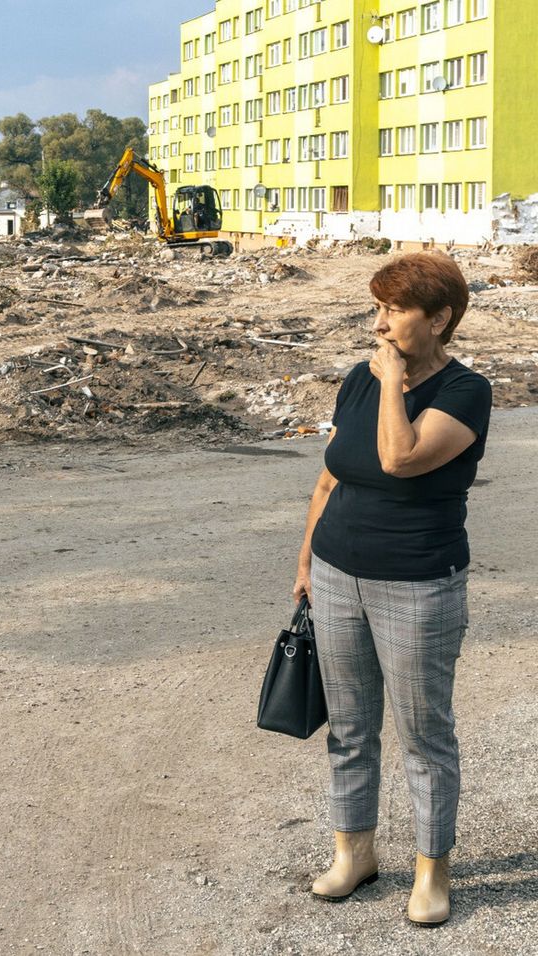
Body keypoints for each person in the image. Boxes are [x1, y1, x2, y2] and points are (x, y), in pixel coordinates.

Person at [292, 252, 491, 927]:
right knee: (349, 727)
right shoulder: (357, 379)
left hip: (418, 583)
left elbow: (398, 459)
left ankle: (432, 871)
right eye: (376, 309)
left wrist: (390, 384)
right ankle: (355, 853)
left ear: (439, 319)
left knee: (424, 734)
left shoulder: (466, 392)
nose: (378, 325)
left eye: (393, 311)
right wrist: (304, 560)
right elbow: (331, 476)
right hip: (336, 572)